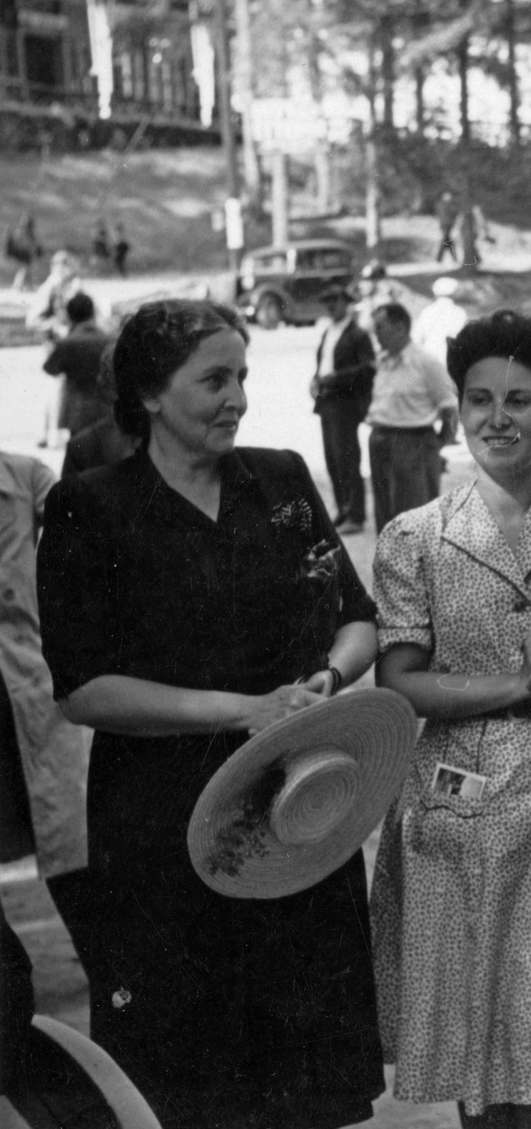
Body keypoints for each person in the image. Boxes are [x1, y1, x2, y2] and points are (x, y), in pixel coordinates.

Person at [35, 299, 386, 1129]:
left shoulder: (283, 482)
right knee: (189, 1078)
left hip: (298, 812)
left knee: (307, 1082)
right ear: (149, 394)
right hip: (163, 828)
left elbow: (357, 617)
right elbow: (83, 688)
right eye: (214, 380)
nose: (237, 399)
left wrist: (326, 681)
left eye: (243, 377)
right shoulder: (90, 507)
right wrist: (244, 711)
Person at [370, 310, 531, 1127]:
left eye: (520, 400)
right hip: (455, 808)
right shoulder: (418, 535)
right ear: (458, 409)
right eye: (480, 399)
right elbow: (401, 679)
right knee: (470, 1045)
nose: (498, 418)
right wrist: (520, 684)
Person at [0, 450, 95, 970]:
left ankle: (108, 973)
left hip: (25, 687)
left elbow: (84, 542)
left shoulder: (25, 478)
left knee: (69, 842)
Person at [366, 303, 458, 533]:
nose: (375, 333)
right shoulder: (383, 361)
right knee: (385, 512)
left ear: (399, 327)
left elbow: (450, 409)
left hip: (413, 442)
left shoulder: (426, 363)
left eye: (380, 327)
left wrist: (438, 443)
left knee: (414, 514)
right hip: (380, 440)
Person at [311, 282, 376, 533]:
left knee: (347, 457)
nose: (331, 307)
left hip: (345, 402)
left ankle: (356, 514)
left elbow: (368, 368)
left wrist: (336, 378)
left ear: (346, 304)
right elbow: (323, 363)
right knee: (332, 459)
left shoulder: (357, 334)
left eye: (335, 302)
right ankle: (342, 509)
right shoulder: (329, 331)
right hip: (327, 401)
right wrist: (315, 381)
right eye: (327, 302)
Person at [43, 293, 113, 439]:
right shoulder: (109, 340)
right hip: (106, 408)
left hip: (77, 410)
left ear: (70, 316)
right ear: (93, 313)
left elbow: (50, 369)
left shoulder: (67, 343)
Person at [415, 276, 469, 359]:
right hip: (452, 357)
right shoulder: (460, 313)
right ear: (454, 294)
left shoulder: (427, 311)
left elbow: (417, 338)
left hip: (429, 357)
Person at [7, 213, 37, 289]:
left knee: (25, 269)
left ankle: (26, 285)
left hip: (23, 254)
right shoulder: (19, 233)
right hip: (20, 253)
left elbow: (31, 245)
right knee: (24, 269)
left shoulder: (27, 233)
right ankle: (20, 286)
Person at [436, 191, 460, 262]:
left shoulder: (443, 205)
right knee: (447, 240)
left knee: (445, 240)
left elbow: (454, 213)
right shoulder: (442, 205)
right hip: (445, 224)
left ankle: (439, 258)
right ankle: (452, 257)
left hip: (447, 224)